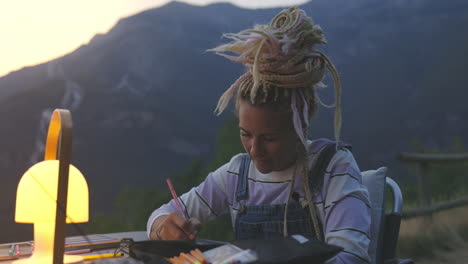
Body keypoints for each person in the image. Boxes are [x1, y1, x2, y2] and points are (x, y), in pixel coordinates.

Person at [147, 6, 371, 264]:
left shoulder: (334, 169)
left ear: (301, 125)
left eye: (269, 138)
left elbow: (352, 258)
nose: (254, 149)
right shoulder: (236, 175)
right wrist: (165, 227)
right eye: (246, 134)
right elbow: (162, 213)